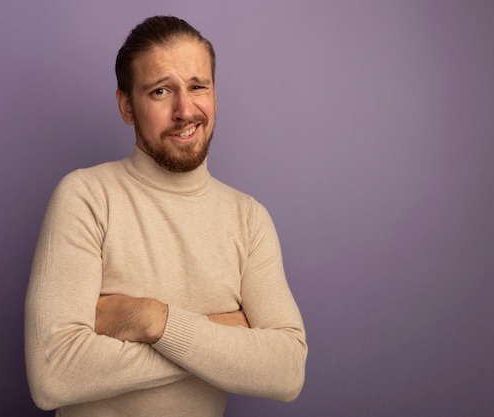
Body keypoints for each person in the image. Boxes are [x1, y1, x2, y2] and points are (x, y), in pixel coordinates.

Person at [25, 15, 307, 417]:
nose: (185, 109)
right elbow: (53, 376)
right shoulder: (86, 197)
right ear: (127, 106)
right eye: (161, 91)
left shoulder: (249, 218)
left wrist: (153, 321)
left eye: (198, 87)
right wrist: (221, 334)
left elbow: (287, 369)